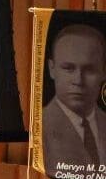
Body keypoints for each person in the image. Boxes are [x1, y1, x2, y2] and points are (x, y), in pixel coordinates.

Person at [43, 23, 106, 171]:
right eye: (68, 68)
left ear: (103, 71)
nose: (78, 80)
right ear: (52, 69)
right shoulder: (39, 130)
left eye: (89, 70)